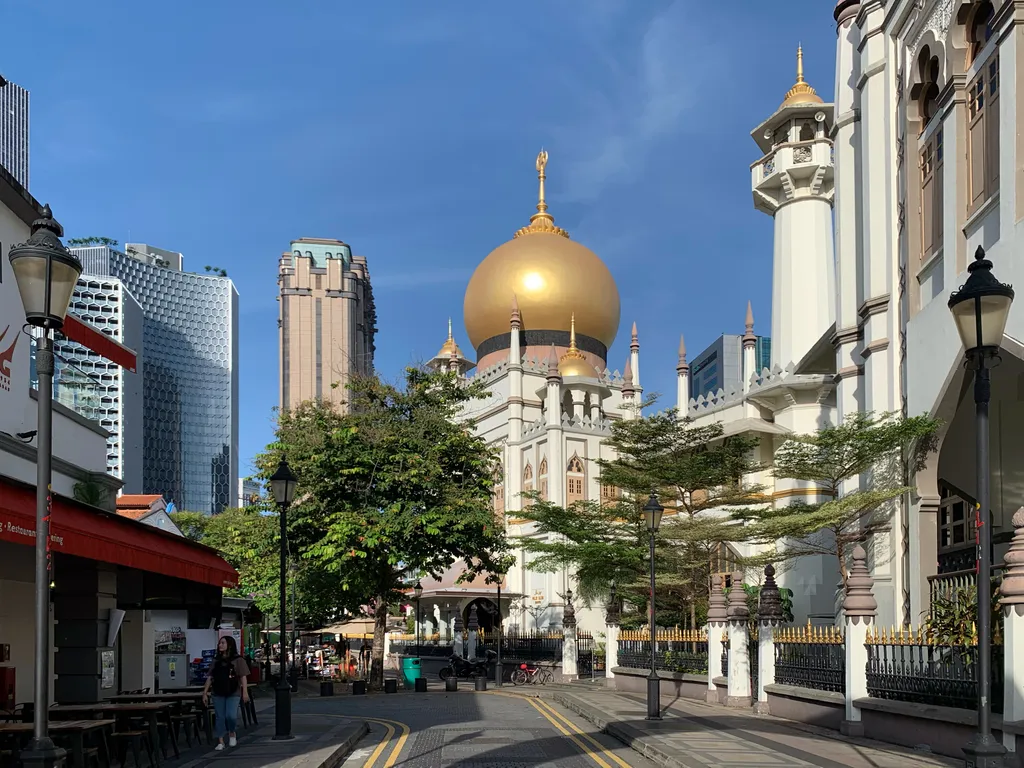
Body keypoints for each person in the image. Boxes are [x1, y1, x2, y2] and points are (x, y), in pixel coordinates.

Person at [202, 636, 249, 750]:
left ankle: (232, 732)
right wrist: (205, 692)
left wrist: (245, 692)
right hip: (217, 691)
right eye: (219, 643)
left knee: (231, 716)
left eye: (223, 643)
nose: (220, 645)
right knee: (220, 717)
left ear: (230, 645)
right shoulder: (216, 660)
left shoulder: (238, 660)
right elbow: (210, 676)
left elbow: (243, 676)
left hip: (233, 691)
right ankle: (220, 740)